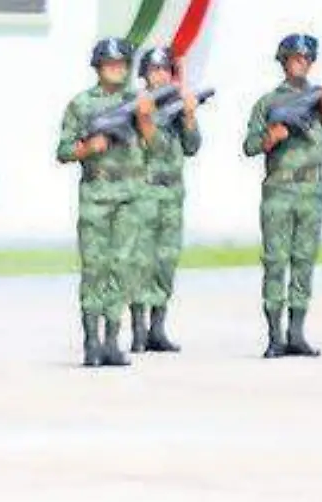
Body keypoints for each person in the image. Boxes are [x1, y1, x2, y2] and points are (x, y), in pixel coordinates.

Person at [244, 33, 322, 358]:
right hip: (279, 189)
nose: (300, 63)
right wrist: (270, 138)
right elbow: (248, 146)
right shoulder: (268, 103)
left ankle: (297, 333)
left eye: (306, 58)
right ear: (284, 61)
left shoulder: (321, 100)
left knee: (303, 261)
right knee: (275, 261)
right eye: (295, 58)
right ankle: (275, 335)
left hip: (312, 190)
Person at [57, 38, 153, 369]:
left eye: (122, 64)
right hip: (97, 195)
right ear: (98, 67)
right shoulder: (82, 105)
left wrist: (145, 120)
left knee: (122, 267)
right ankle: (91, 342)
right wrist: (86, 149)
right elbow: (64, 150)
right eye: (110, 63)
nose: (117, 68)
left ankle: (113, 340)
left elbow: (153, 147)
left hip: (129, 196)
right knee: (94, 268)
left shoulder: (137, 101)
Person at [131, 47, 200, 354]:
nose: (160, 75)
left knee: (166, 260)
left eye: (164, 70)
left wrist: (188, 115)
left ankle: (158, 327)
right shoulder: (135, 106)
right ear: (144, 74)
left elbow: (192, 146)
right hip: (143, 191)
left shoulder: (176, 106)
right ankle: (137, 328)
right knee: (140, 261)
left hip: (172, 193)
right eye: (154, 70)